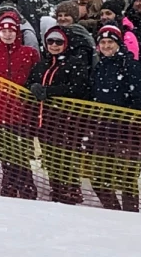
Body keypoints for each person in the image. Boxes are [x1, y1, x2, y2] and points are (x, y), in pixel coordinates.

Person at [0, 11, 41, 197]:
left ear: (18, 31)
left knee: (22, 154)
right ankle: (10, 189)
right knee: (6, 155)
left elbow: (36, 79)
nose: (7, 34)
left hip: (23, 115)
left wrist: (30, 106)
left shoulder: (29, 54)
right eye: (3, 30)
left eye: (11, 30)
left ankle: (27, 189)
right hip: (0, 115)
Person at [27, 25, 92, 204]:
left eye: (58, 41)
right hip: (44, 121)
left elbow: (78, 88)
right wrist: (32, 87)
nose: (54, 45)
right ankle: (56, 189)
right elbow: (30, 82)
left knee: (66, 157)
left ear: (66, 43)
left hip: (66, 122)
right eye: (50, 41)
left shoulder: (75, 63)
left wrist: (50, 91)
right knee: (50, 158)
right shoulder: (42, 64)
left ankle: (70, 191)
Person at [90, 24, 141, 211]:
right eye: (103, 42)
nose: (107, 46)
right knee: (99, 177)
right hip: (102, 129)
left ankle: (130, 215)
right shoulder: (98, 67)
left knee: (127, 178)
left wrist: (136, 118)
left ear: (118, 44)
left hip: (126, 130)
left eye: (110, 42)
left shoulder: (130, 65)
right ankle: (113, 212)